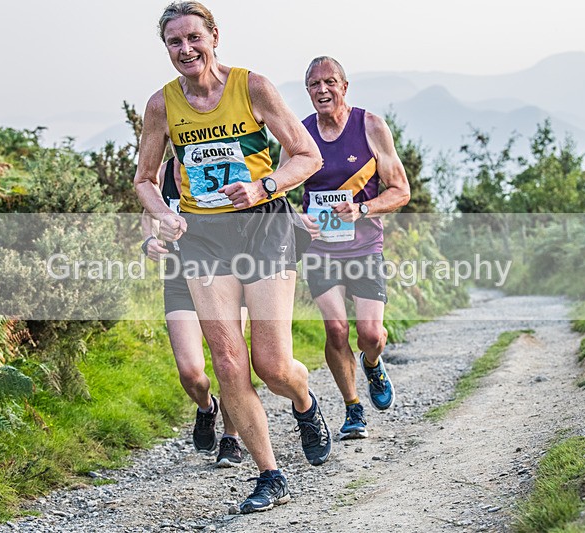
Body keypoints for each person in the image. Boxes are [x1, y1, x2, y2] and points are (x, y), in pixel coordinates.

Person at [133, 1, 331, 514]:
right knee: (227, 361)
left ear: (213, 36)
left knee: (270, 365)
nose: (185, 50)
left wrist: (264, 184)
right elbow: (145, 180)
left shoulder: (253, 87)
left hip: (264, 228)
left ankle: (305, 402)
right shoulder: (162, 105)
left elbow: (309, 156)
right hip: (202, 237)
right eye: (174, 43)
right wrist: (166, 216)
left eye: (193, 38)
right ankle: (270, 473)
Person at [291, 56, 410, 440]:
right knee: (336, 329)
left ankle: (373, 364)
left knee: (370, 335)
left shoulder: (370, 126)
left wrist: (361, 208)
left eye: (329, 82)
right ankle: (353, 406)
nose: (322, 90)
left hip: (364, 246)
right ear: (307, 91)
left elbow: (401, 191)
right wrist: (297, 219)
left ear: (344, 86)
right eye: (314, 84)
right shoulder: (299, 133)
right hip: (321, 248)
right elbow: (281, 187)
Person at [141, 156, 244, 467]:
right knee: (190, 371)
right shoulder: (161, 171)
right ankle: (205, 406)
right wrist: (149, 240)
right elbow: (149, 213)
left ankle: (232, 437)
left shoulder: (220, 162)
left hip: (224, 275)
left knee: (230, 362)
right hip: (179, 278)